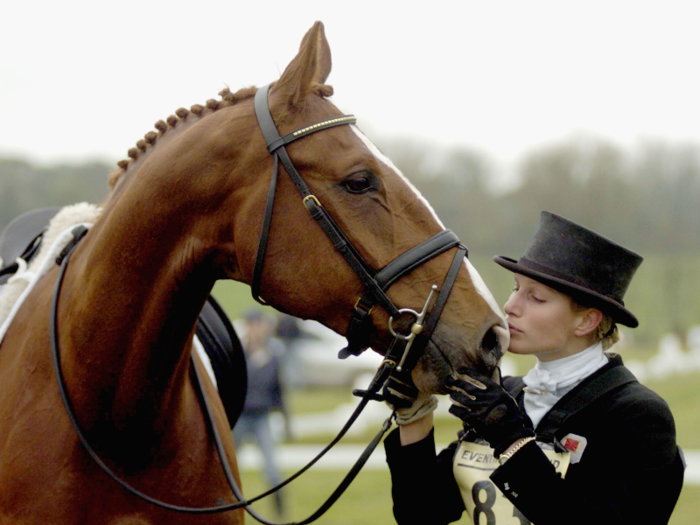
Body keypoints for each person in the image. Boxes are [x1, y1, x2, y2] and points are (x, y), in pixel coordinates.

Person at [383, 211, 685, 525]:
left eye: (536, 298)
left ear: (586, 320)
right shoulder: (507, 396)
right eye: (516, 288)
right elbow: (420, 514)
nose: (511, 306)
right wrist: (414, 416)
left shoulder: (639, 415)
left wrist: (512, 440)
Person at [233, 310, 290, 517]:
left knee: (271, 465)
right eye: (252, 325)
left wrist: (286, 422)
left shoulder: (273, 357)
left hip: (262, 417)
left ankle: (279, 509)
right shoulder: (237, 353)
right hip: (240, 417)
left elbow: (278, 392)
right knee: (228, 463)